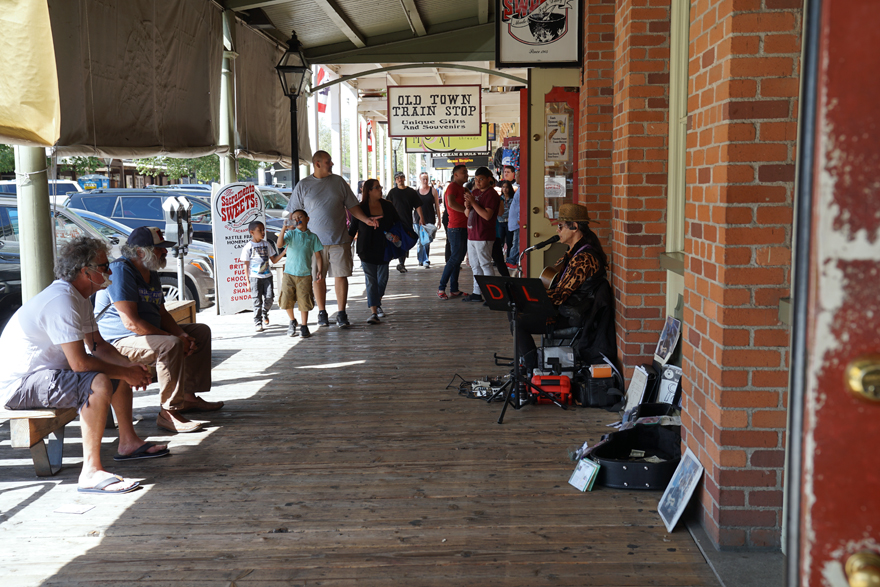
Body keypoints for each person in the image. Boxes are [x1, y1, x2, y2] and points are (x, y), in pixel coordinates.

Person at [0, 236, 165, 494]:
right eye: (103, 266)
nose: (109, 271)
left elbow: (99, 346)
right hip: (20, 386)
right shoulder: (61, 300)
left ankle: (128, 442)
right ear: (84, 271)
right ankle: (90, 471)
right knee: (97, 380)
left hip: (45, 376)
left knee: (114, 370)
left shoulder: (79, 297)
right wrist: (125, 371)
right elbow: (80, 363)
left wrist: (130, 368)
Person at [95, 226, 220, 434]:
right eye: (160, 248)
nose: (165, 252)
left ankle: (188, 397)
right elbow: (131, 323)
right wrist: (174, 338)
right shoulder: (121, 270)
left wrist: (182, 334)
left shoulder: (149, 271)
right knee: (171, 345)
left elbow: (161, 313)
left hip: (144, 335)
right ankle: (168, 412)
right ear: (141, 252)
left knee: (200, 332)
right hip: (117, 342)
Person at [514, 203, 616, 372]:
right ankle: (528, 364)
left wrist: (529, 297)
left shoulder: (583, 258)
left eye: (560, 226)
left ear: (574, 227)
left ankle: (531, 368)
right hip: (565, 308)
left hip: (571, 314)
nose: (557, 231)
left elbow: (561, 296)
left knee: (518, 321)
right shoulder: (574, 252)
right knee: (516, 316)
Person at [285, 151, 380, 328]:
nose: (332, 164)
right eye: (328, 162)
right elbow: (293, 214)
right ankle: (322, 312)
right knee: (318, 278)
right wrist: (290, 234)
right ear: (317, 164)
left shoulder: (339, 182)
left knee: (341, 275)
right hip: (312, 243)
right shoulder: (303, 185)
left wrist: (366, 219)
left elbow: (352, 206)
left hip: (339, 239)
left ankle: (342, 313)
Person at [348, 179, 402, 324]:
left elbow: (398, 223)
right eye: (377, 187)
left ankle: (377, 302)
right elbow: (352, 230)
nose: (380, 189)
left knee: (382, 279)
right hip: (366, 249)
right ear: (369, 191)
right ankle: (374, 312)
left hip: (384, 248)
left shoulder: (387, 206)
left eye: (380, 187)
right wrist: (346, 246)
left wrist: (397, 235)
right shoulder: (360, 208)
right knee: (371, 280)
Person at [276, 209, 324, 338]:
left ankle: (304, 325)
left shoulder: (312, 237)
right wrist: (284, 229)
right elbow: (280, 244)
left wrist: (320, 270)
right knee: (286, 299)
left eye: (300, 217)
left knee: (304, 300)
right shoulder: (291, 234)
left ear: (307, 219)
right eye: (295, 218)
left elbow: (318, 255)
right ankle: (292, 321)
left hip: (305, 274)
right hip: (289, 274)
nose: (297, 219)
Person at [461, 166, 501, 302]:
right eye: (476, 179)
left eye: (481, 179)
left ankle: (493, 295)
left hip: (484, 234)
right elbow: (467, 214)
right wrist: (468, 205)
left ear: (489, 179)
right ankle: (477, 292)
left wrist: (473, 202)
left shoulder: (492, 194)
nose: (478, 182)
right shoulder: (475, 192)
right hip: (472, 233)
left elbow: (487, 215)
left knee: (485, 264)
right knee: (475, 265)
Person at [240, 220, 283, 332]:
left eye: (264, 230)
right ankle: (258, 321)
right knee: (257, 300)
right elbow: (246, 265)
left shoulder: (267, 244)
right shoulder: (248, 247)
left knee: (270, 297)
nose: (263, 232)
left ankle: (264, 312)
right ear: (252, 232)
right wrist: (247, 282)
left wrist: (284, 252)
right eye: (260, 230)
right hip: (255, 278)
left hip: (267, 276)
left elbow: (274, 259)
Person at [437, 164, 470, 300]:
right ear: (455, 175)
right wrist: (465, 210)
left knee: (458, 259)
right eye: (463, 172)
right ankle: (441, 287)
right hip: (455, 227)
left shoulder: (464, 189)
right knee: (455, 258)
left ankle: (454, 289)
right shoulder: (451, 187)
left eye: (467, 172)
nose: (466, 174)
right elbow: (450, 203)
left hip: (464, 227)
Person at [386, 171, 425, 273]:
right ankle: (398, 262)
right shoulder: (392, 193)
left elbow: (417, 205)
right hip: (394, 222)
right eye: (397, 178)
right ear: (395, 180)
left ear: (404, 179)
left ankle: (402, 263)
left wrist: (421, 217)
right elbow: (386, 206)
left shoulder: (411, 192)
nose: (400, 179)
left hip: (407, 221)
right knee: (395, 241)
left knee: (407, 241)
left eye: (401, 177)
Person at [414, 171, 442, 268]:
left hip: (429, 218)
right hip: (418, 219)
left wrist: (439, 219)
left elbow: (437, 206)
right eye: (423, 179)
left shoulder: (433, 191)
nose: (425, 181)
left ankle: (425, 259)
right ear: (420, 179)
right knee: (420, 241)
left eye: (426, 179)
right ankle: (421, 259)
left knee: (426, 240)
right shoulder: (416, 191)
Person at [492, 178, 511, 278]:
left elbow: (500, 212)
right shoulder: (476, 195)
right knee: (482, 263)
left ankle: (508, 282)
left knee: (497, 259)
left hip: (494, 231)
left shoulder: (498, 198)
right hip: (480, 233)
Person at [503, 166, 522, 267]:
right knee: (515, 241)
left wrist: (520, 218)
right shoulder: (520, 188)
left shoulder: (523, 189)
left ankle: (511, 260)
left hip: (518, 221)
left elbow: (521, 205)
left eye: (518, 175)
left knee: (516, 242)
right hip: (515, 221)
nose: (517, 177)